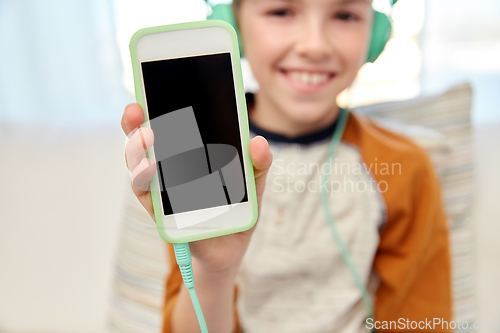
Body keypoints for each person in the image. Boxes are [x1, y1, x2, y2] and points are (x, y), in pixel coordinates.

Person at [121, 0, 453, 332]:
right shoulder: (198, 155)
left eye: (345, 15)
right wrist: (215, 272)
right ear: (233, 23)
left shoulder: (406, 168)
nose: (314, 46)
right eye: (281, 12)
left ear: (377, 33)